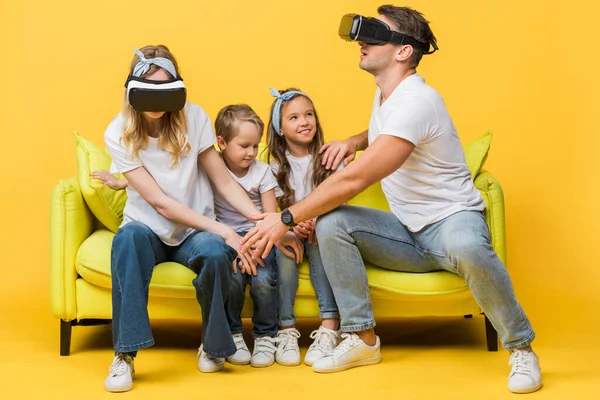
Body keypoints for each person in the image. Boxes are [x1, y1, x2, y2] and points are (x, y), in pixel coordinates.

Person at [241, 6, 542, 394]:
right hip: (405, 233)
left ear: (402, 51)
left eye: (376, 32)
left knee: (466, 243)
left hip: (452, 222)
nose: (362, 40)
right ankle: (362, 339)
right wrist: (354, 140)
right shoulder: (387, 94)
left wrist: (283, 218)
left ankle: (521, 348)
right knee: (333, 222)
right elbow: (385, 128)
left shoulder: (418, 100)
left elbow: (359, 177)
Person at [101, 45, 285, 392]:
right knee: (126, 240)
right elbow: (159, 202)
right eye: (148, 89)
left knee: (216, 253)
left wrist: (260, 218)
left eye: (165, 89)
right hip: (148, 227)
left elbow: (222, 180)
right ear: (132, 89)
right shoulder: (118, 132)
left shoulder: (193, 117)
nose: (157, 101)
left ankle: (213, 348)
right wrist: (224, 230)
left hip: (193, 229)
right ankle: (124, 356)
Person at [212, 104, 302, 368]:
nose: (251, 153)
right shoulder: (211, 165)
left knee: (264, 279)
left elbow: (269, 216)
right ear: (222, 143)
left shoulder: (262, 172)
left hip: (259, 234)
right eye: (244, 146)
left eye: (255, 146)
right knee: (234, 276)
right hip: (226, 237)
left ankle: (265, 335)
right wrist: (123, 181)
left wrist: (260, 241)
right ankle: (234, 333)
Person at [265, 88, 342, 367]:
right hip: (292, 231)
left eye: (309, 114)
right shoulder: (273, 166)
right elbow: (272, 211)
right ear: (281, 129)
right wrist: (293, 227)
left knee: (323, 241)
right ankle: (286, 329)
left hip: (322, 229)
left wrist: (317, 222)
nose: (304, 122)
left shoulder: (330, 157)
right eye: (294, 117)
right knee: (285, 254)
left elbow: (341, 197)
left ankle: (330, 325)